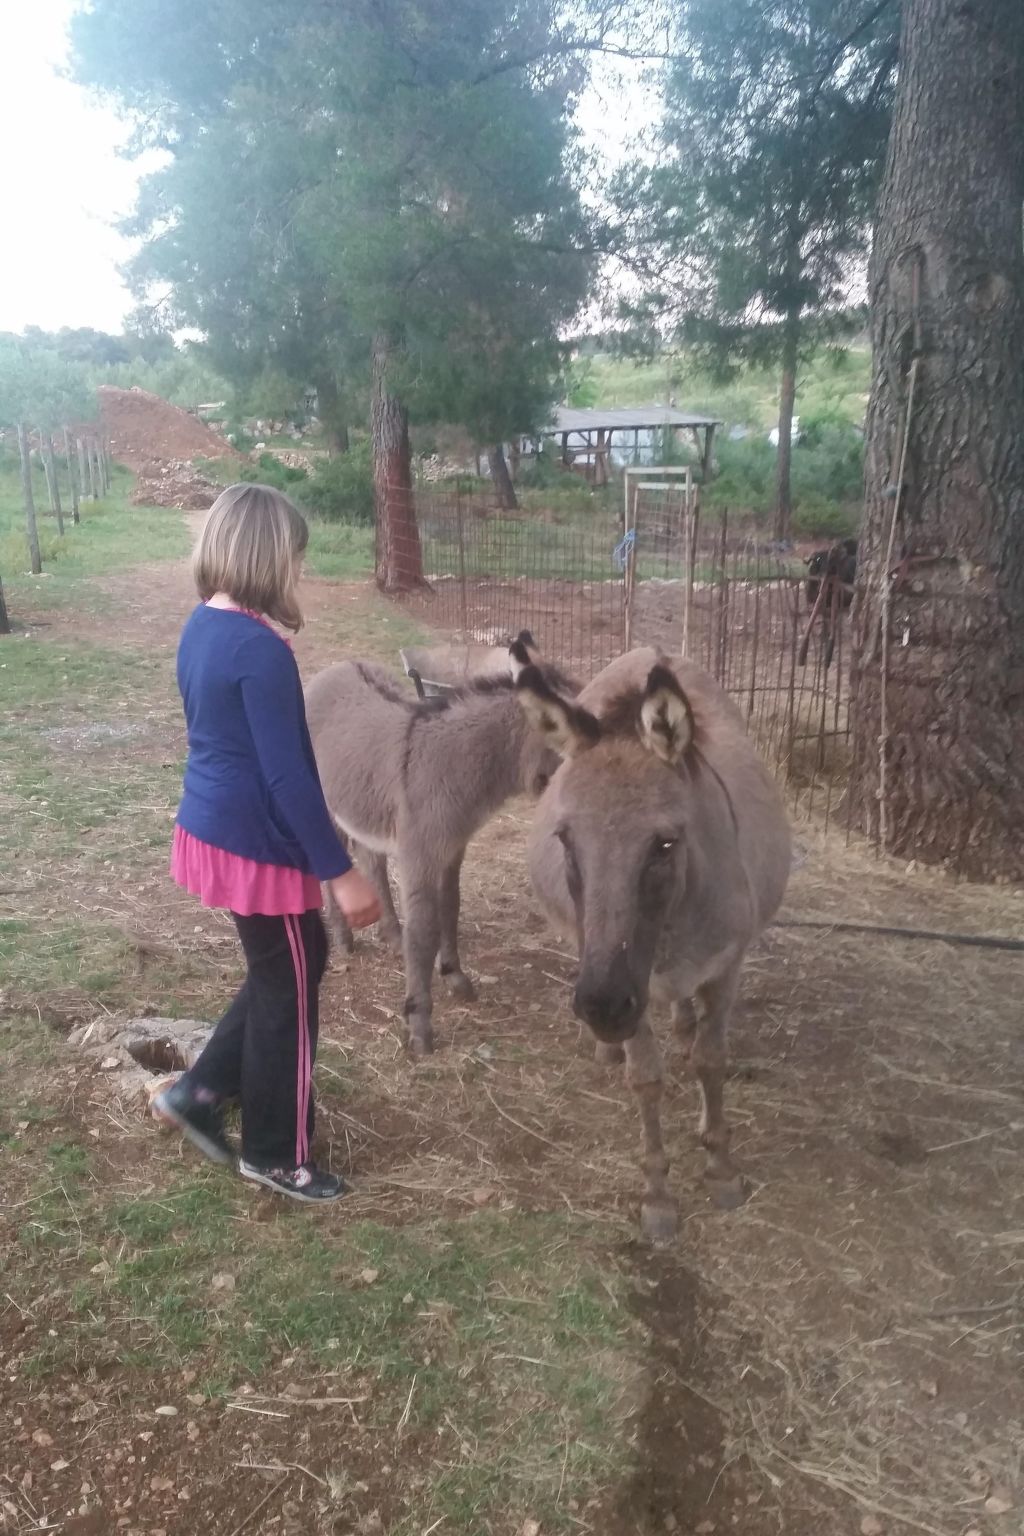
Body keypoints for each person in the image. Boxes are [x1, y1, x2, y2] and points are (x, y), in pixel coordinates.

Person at [154, 483, 380, 1202]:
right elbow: (288, 779)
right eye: (297, 558)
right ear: (268, 558)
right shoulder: (261, 652)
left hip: (216, 827)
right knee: (291, 989)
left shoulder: (204, 625)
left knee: (290, 965)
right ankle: (278, 1155)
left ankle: (199, 1092)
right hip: (256, 843)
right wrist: (340, 872)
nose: (300, 572)